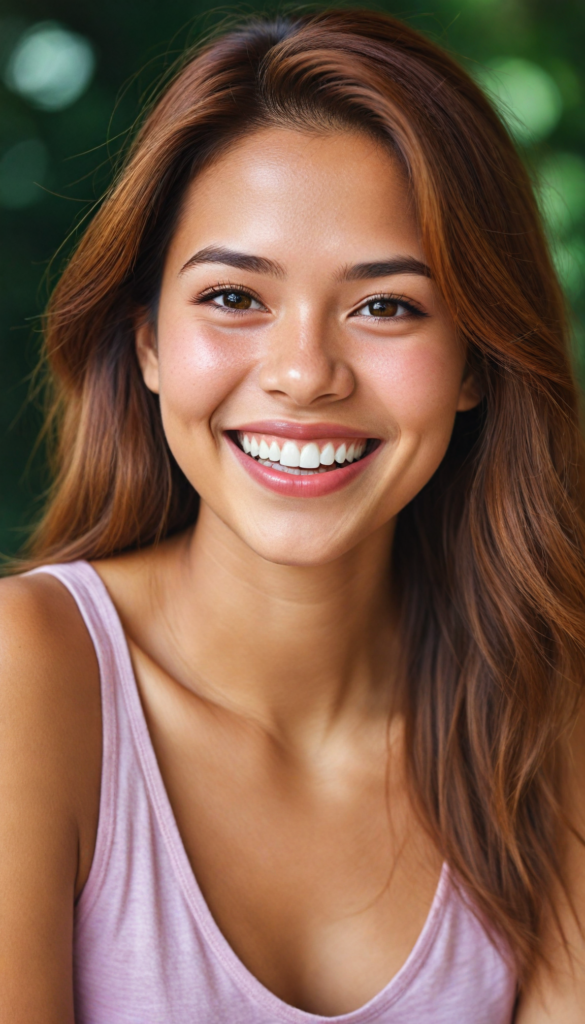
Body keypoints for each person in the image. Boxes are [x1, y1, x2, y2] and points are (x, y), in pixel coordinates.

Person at [1, 9, 584, 1022]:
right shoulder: (28, 673)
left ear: (475, 365)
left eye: (387, 306)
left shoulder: (547, 708)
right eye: (234, 297)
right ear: (144, 342)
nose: (304, 373)